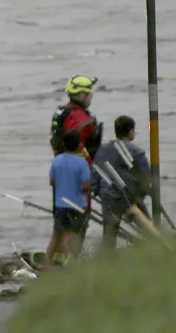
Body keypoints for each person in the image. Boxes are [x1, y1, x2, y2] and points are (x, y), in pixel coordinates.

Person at [48, 74, 101, 242]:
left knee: (60, 222)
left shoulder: (62, 113)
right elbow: (80, 147)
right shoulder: (80, 118)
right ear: (81, 95)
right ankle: (73, 255)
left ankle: (60, 254)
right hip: (78, 177)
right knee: (78, 221)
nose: (91, 96)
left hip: (61, 173)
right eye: (89, 93)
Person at [91, 115, 151, 252]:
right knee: (147, 227)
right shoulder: (136, 152)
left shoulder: (103, 150)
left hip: (108, 196)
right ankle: (156, 249)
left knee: (109, 233)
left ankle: (107, 258)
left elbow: (95, 173)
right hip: (129, 197)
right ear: (130, 132)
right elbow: (146, 178)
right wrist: (140, 196)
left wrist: (98, 191)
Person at [46, 128, 91, 266]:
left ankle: (46, 263)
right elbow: (86, 186)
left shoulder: (57, 161)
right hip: (77, 205)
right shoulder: (82, 163)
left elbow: (52, 182)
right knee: (75, 236)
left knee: (56, 235)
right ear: (79, 145)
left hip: (60, 205)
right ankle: (72, 263)